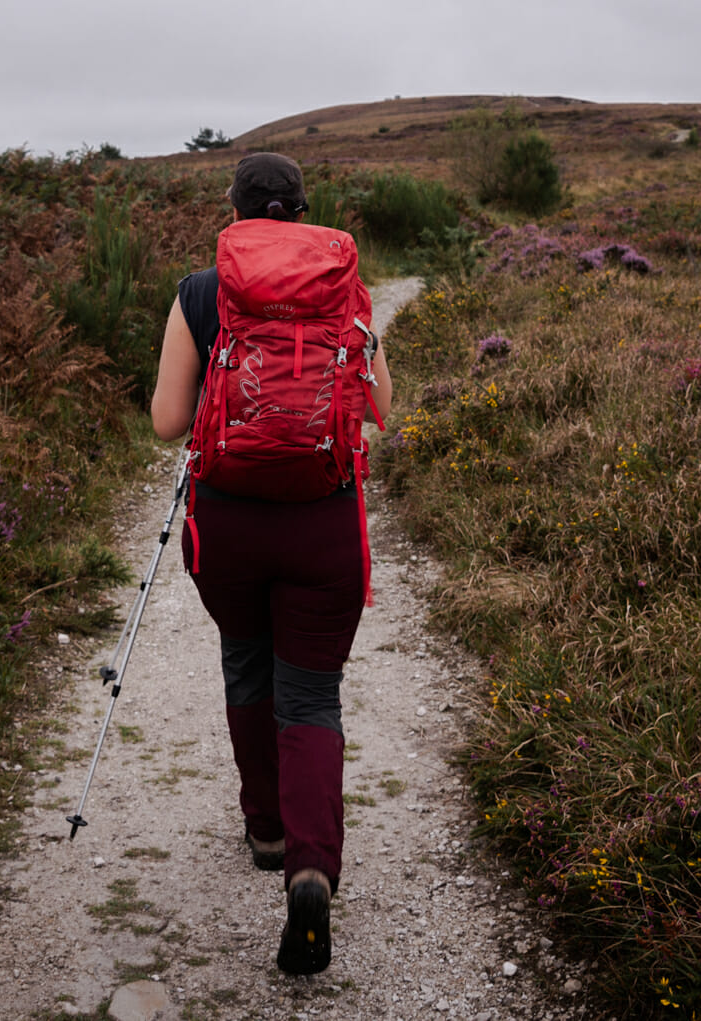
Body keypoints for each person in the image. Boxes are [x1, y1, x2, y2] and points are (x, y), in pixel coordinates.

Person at [150, 152, 392, 976]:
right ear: (304, 212)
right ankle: (312, 869)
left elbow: (166, 420)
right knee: (312, 693)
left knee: (246, 663)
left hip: (228, 525)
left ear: (237, 210)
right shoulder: (343, 287)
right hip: (324, 521)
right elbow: (383, 409)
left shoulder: (201, 289)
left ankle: (265, 829)